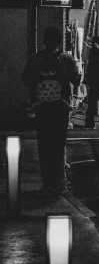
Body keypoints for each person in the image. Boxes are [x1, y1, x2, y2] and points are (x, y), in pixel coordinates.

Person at [21, 26, 81, 193]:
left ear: (44, 40)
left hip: (41, 107)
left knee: (44, 143)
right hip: (60, 106)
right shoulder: (66, 59)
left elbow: (26, 80)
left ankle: (47, 182)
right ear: (59, 40)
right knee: (58, 142)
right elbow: (76, 80)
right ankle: (58, 181)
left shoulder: (34, 59)